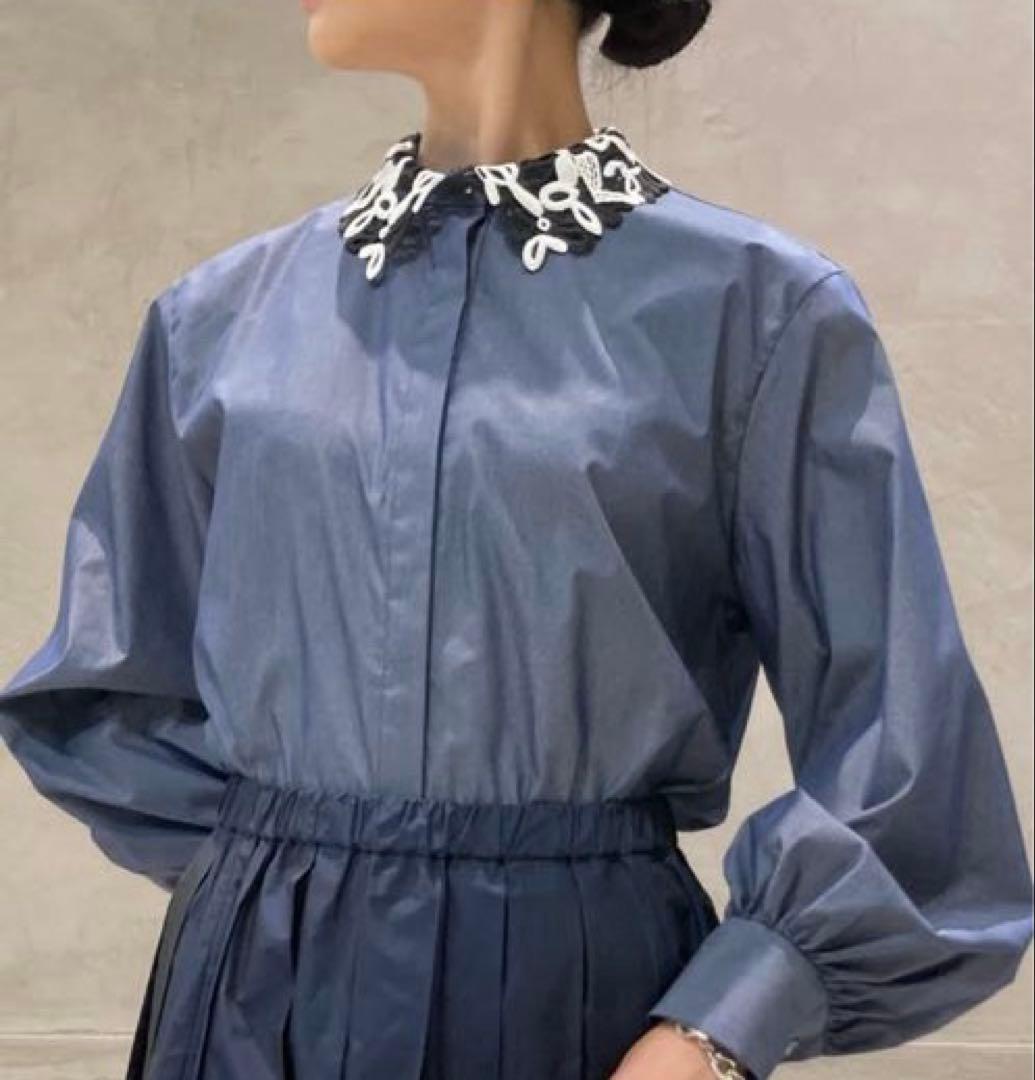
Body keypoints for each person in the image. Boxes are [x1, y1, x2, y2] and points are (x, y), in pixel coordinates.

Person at [1, 1, 1031, 1078]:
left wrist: (714, 1031)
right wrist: (282, 879)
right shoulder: (220, 319)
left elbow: (902, 751)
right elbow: (108, 691)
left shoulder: (756, 312)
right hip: (251, 1002)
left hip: (579, 996)